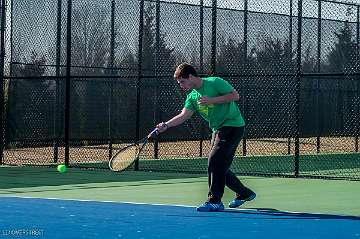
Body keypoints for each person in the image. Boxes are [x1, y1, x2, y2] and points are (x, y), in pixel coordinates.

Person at [154, 63, 256, 212]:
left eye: (182, 81)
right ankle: (244, 193)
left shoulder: (214, 82)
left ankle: (214, 201)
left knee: (215, 161)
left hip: (233, 126)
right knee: (220, 167)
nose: (181, 85)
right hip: (218, 130)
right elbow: (184, 115)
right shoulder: (192, 97)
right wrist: (166, 125)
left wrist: (211, 100)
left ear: (190, 76)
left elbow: (235, 96)